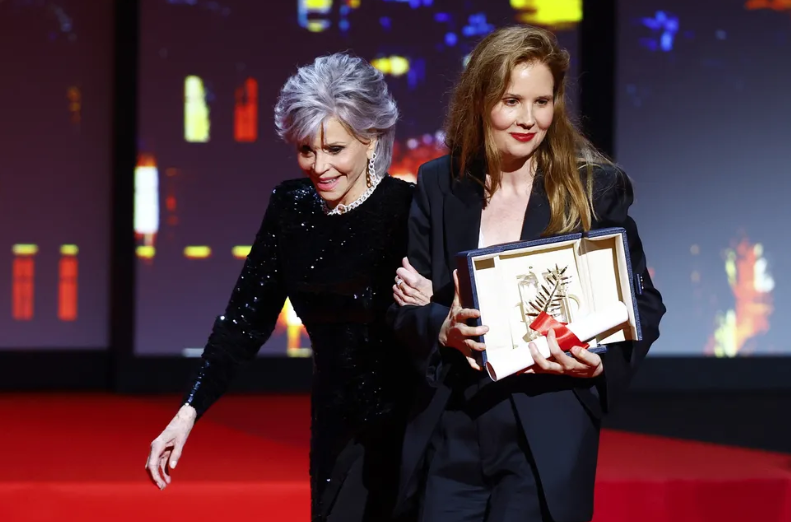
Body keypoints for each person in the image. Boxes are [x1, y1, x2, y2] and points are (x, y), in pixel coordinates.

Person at [388, 26, 666, 522]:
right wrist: (441, 328)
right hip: (454, 429)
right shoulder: (437, 182)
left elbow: (643, 301)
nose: (528, 119)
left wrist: (598, 363)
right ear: (479, 100)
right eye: (511, 100)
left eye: (542, 101)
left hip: (544, 432)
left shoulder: (592, 188)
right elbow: (406, 310)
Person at [145, 53, 433, 522]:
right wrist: (188, 411)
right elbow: (243, 321)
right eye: (306, 150)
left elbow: (443, 316)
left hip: (408, 426)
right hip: (334, 428)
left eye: (334, 149)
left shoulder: (409, 209)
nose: (319, 166)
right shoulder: (290, 206)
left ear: (372, 140)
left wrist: (430, 299)